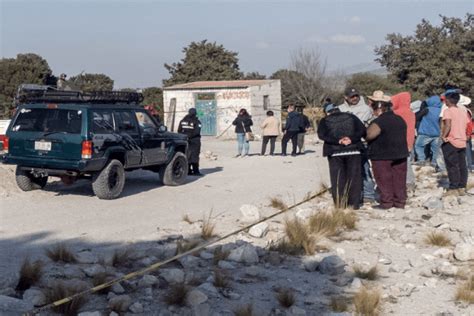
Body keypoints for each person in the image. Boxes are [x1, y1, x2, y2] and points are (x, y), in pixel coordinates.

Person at [317, 104, 366, 209]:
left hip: (335, 151)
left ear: (328, 112)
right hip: (354, 150)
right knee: (354, 178)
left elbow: (322, 135)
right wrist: (351, 139)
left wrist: (338, 141)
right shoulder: (352, 117)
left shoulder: (325, 120)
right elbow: (362, 130)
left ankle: (341, 204)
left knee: (338, 178)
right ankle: (354, 204)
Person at [366, 91, 409, 209]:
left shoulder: (379, 121)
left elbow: (370, 135)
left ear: (378, 107)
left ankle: (387, 202)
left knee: (384, 179)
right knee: (399, 179)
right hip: (400, 153)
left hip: (382, 154)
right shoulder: (399, 119)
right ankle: (400, 201)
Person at [339, 87, 375, 203]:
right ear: (345, 97)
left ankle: (368, 194)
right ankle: (351, 195)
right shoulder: (340, 109)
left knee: (364, 169)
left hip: (360, 143)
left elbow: (358, 125)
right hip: (343, 144)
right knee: (346, 170)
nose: (355, 98)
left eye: (356, 96)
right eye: (352, 96)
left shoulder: (366, 109)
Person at [440, 92, 469, 193]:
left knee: (452, 165)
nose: (444, 102)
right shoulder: (463, 111)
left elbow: (448, 124)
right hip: (462, 141)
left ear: (448, 100)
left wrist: (443, 136)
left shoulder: (448, 111)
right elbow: (467, 125)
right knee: (462, 165)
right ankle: (462, 186)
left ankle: (453, 186)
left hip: (451, 140)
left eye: (445, 100)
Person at [391, 92, 416, 191]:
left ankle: (405, 182)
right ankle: (410, 182)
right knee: (407, 162)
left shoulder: (397, 113)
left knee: (400, 163)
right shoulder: (410, 112)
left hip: (399, 140)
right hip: (409, 140)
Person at [414, 96, 443, 168]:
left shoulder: (427, 109)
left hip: (425, 132)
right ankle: (434, 162)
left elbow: (417, 117)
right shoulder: (441, 110)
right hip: (437, 133)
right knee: (435, 149)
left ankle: (421, 160)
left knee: (418, 145)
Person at [178, 108, 202, 176]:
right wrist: (190, 136)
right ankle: (196, 171)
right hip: (195, 141)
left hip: (185, 141)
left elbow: (179, 130)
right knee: (195, 155)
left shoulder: (182, 121)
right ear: (195, 113)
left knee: (187, 155)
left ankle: (188, 170)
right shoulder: (197, 122)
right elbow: (197, 132)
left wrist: (185, 137)